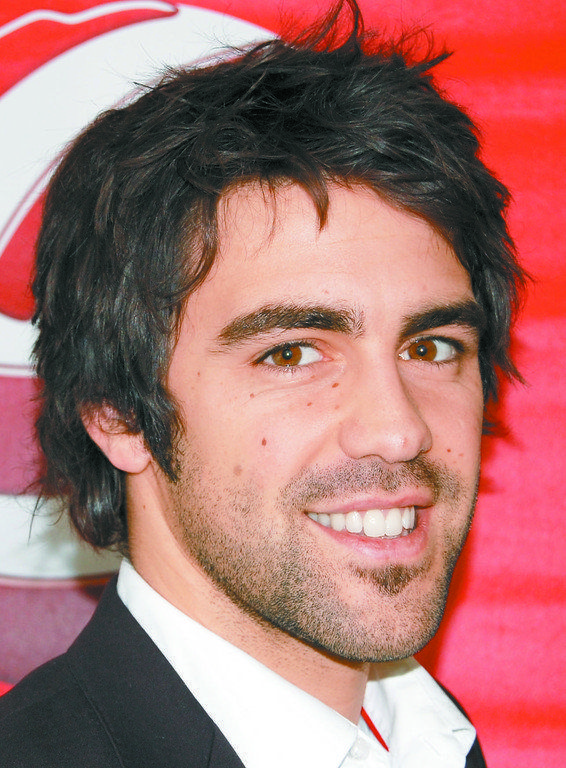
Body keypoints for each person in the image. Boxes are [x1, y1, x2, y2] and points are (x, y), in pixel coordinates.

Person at [0, 1, 526, 765]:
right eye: (292, 354)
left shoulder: (435, 740)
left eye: (432, 346)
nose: (398, 428)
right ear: (117, 413)